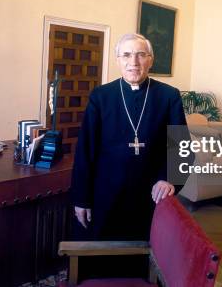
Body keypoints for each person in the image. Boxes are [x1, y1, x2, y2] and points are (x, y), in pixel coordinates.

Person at [71, 33, 188, 245]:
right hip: (106, 194)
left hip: (151, 196)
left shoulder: (169, 96)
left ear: (150, 60)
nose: (133, 62)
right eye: (126, 55)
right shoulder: (101, 96)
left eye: (140, 55)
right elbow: (85, 151)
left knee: (145, 258)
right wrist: (81, 198)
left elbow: (182, 148)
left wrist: (168, 178)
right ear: (118, 60)